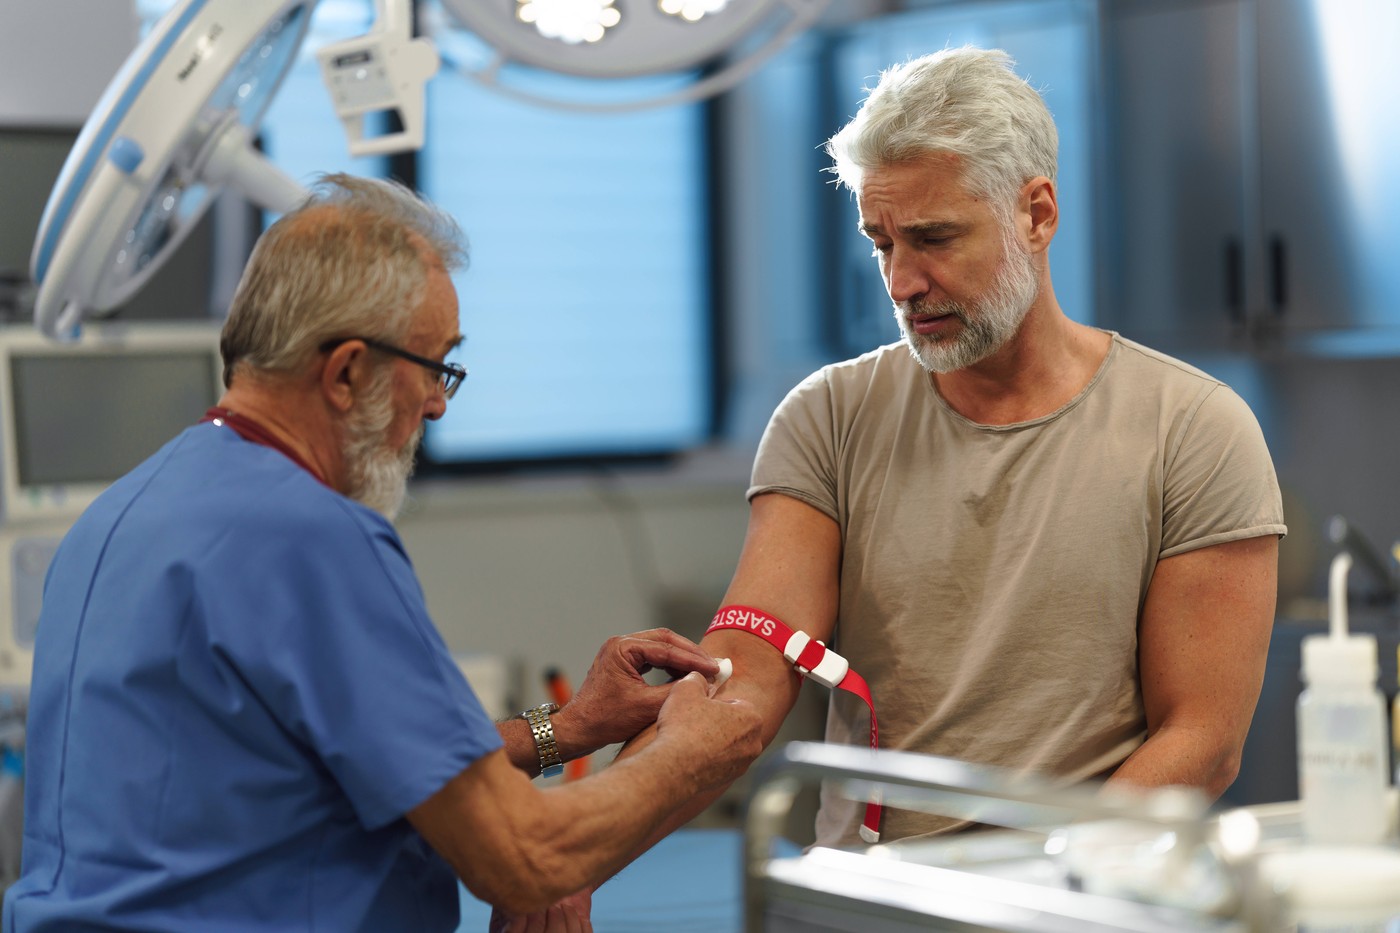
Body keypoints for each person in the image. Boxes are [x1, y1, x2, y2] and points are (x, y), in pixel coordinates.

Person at [501, 48, 1287, 928]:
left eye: (935, 238)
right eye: (882, 244)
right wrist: (579, 845)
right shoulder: (829, 417)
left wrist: (1025, 890)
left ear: (1036, 212)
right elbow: (744, 684)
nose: (903, 284)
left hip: (1086, 900)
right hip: (872, 901)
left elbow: (1201, 742)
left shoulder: (1192, 429)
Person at [2, 174, 763, 932]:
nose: (437, 402)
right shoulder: (311, 538)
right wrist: (692, 754)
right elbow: (522, 857)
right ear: (346, 372)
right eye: (435, 366)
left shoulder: (121, 514)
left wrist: (565, 728)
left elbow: (349, 769)